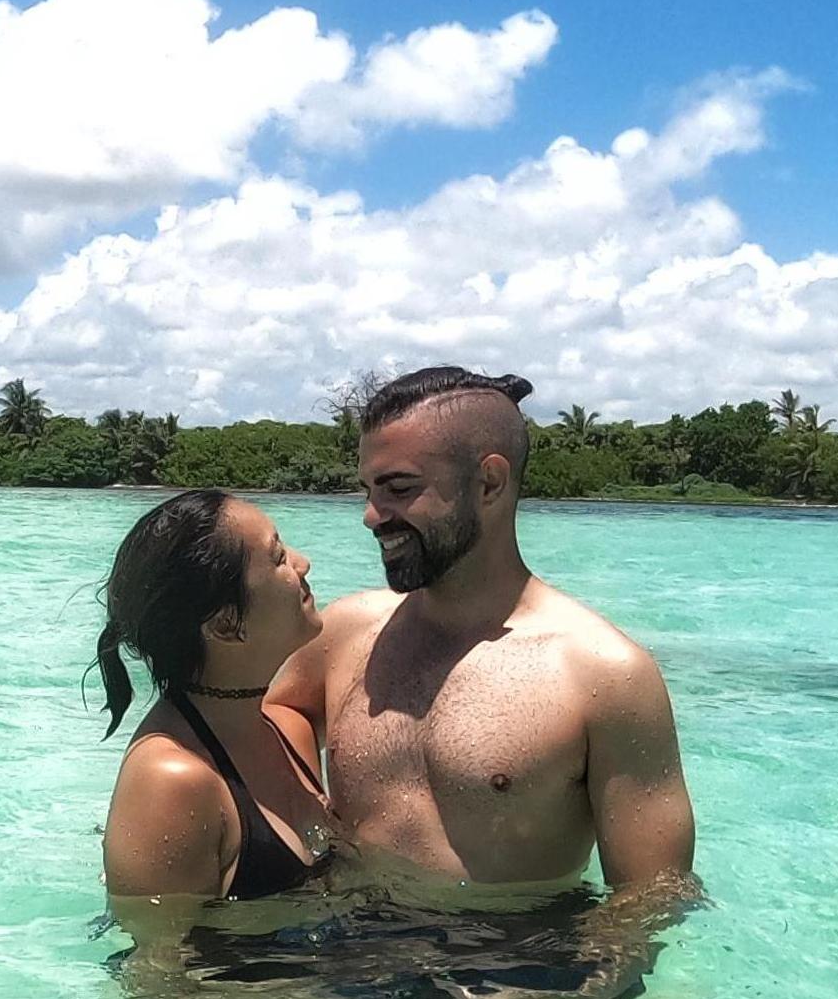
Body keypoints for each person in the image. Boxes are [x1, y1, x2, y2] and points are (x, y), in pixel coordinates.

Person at [268, 366, 695, 894]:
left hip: (513, 957)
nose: (372, 516)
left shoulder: (604, 675)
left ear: (489, 482)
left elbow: (654, 895)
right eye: (370, 489)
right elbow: (270, 709)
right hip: (354, 940)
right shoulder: (347, 633)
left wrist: (583, 976)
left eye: (399, 488)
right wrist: (306, 820)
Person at [97, 488, 333, 903]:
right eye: (278, 558)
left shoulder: (289, 729)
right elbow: (157, 963)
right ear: (226, 625)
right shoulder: (171, 781)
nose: (302, 562)